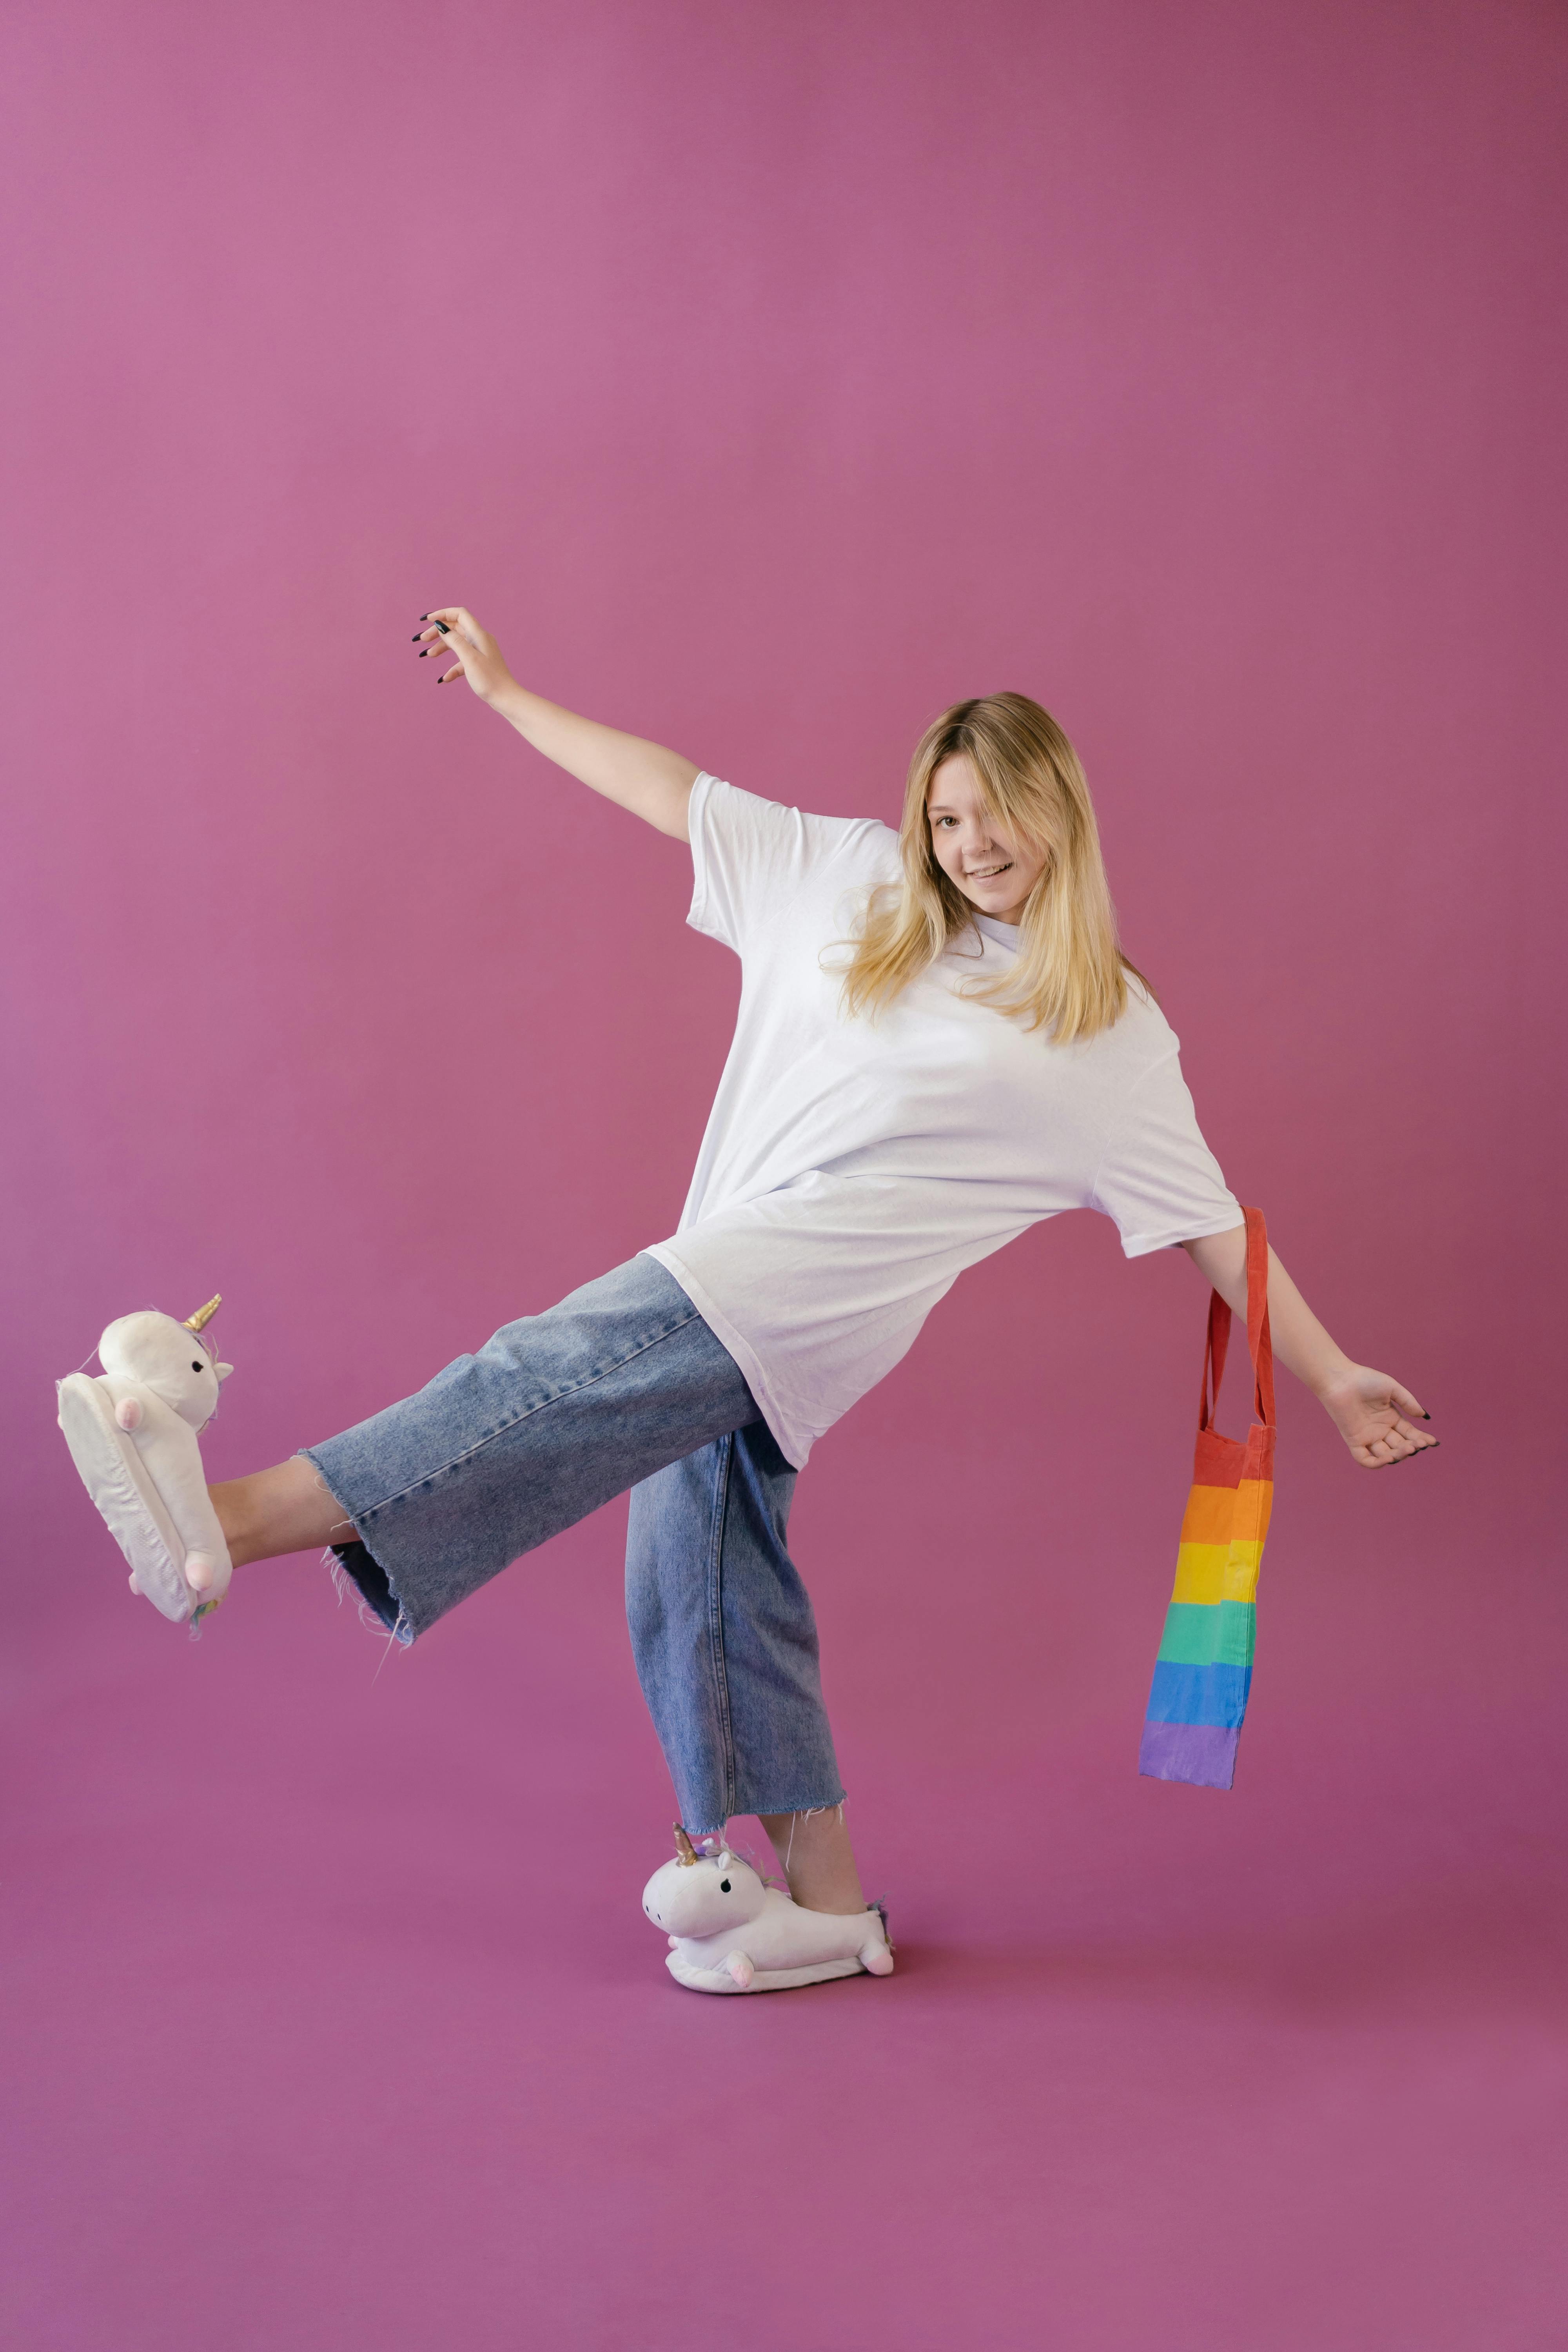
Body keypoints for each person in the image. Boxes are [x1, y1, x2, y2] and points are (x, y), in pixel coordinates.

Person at [62, 605, 1438, 1991]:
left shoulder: (1106, 1030)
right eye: (949, 818)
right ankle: (828, 1908)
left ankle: (221, 1523)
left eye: (999, 814)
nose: (972, 847)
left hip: (789, 1303)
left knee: (527, 1382)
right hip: (733, 1260)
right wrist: (507, 695)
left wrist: (1329, 1377)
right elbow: (672, 792)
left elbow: (1211, 1224)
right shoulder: (853, 881)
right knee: (702, 1569)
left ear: (1060, 814)